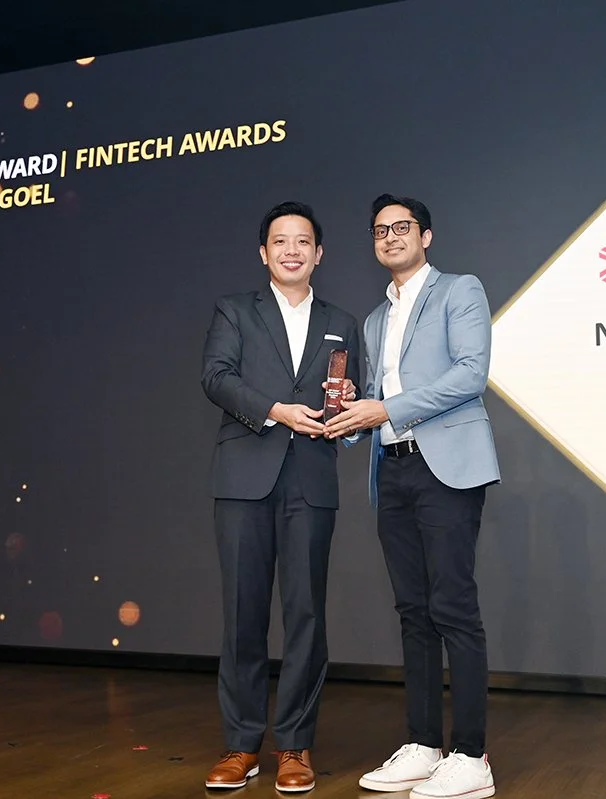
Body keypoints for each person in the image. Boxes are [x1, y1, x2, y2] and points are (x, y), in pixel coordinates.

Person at [323, 194, 499, 799]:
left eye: (401, 228)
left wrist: (388, 407)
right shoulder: (375, 320)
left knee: (454, 607)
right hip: (392, 469)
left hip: (446, 466)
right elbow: (374, 400)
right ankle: (424, 745)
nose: (390, 237)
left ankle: (472, 756)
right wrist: (348, 413)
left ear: (426, 235)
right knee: (413, 612)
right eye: (379, 230)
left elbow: (470, 374)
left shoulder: (459, 290)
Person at [201, 200, 360, 793]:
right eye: (280, 241)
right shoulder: (235, 311)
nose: (292, 250)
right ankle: (240, 744)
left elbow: (355, 399)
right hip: (244, 476)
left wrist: (349, 415)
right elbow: (215, 377)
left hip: (311, 478)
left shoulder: (344, 320)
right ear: (264, 253)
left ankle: (295, 745)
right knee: (243, 615)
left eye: (303, 241)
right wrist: (273, 410)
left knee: (307, 615)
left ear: (319, 253)